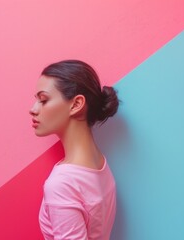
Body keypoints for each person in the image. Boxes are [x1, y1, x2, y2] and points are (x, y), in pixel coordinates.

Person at [29, 60, 120, 240]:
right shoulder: (99, 164)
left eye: (43, 100)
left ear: (76, 104)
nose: (33, 110)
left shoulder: (62, 184)